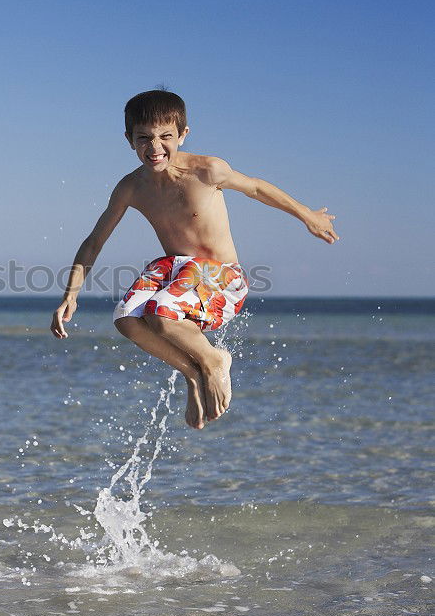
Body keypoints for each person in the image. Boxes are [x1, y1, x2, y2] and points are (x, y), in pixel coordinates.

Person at [51, 89, 339, 429]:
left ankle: (214, 361)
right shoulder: (130, 188)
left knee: (160, 314)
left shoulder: (207, 170)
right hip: (176, 273)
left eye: (165, 137)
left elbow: (257, 188)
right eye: (143, 138)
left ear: (183, 135)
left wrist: (308, 215)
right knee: (126, 318)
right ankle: (192, 373)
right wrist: (71, 294)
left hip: (222, 279)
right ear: (129, 140)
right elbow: (94, 241)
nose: (155, 147)